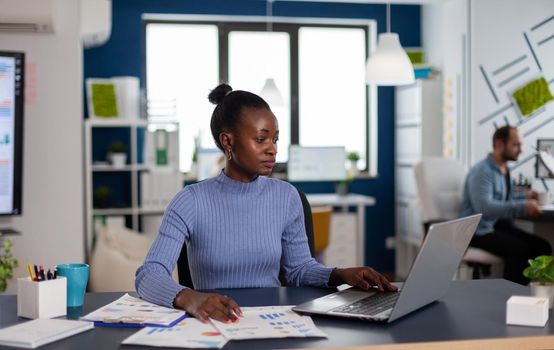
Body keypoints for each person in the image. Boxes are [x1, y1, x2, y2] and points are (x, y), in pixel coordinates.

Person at [136, 83, 396, 323]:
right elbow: (149, 275)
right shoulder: (189, 201)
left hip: (272, 320)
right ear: (228, 141)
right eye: (261, 139)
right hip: (213, 323)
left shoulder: (286, 196)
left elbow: (299, 270)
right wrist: (191, 298)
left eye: (275, 139)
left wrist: (340, 275)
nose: (272, 149)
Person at [459, 126, 551, 284]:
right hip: (477, 231)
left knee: (542, 247)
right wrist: (523, 205)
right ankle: (509, 298)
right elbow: (485, 208)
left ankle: (534, 294)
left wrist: (525, 195)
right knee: (520, 250)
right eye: (516, 145)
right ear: (500, 144)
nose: (520, 150)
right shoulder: (482, 171)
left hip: (497, 225)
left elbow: (502, 196)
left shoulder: (503, 169)